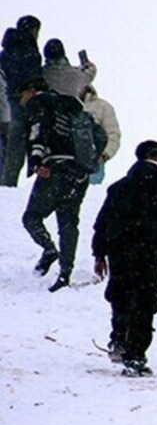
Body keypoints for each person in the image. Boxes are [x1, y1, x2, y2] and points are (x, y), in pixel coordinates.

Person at [91, 140, 157, 378]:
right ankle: (135, 355)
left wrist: (99, 253)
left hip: (119, 250)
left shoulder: (119, 187)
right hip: (147, 250)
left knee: (120, 294)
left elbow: (102, 222)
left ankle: (119, 337)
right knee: (145, 300)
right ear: (155, 157)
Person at [19, 76, 103, 292]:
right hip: (79, 174)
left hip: (54, 170)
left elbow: (38, 133)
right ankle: (65, 274)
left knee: (31, 217)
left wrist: (38, 162)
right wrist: (91, 160)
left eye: (21, 95)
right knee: (68, 223)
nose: (20, 101)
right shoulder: (73, 106)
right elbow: (100, 136)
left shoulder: (40, 104)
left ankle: (48, 249)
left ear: (31, 90)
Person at [1, 16, 43, 187]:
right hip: (24, 104)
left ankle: (6, 185)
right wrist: (32, 89)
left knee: (10, 150)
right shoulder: (29, 49)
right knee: (33, 144)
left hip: (7, 103)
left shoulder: (6, 51)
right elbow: (33, 74)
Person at [81, 84, 121, 184]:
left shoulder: (103, 107)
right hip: (66, 161)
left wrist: (105, 155)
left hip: (94, 160)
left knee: (92, 195)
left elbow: (113, 133)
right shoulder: (62, 105)